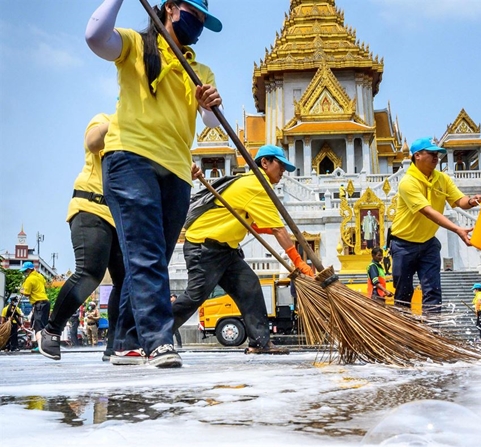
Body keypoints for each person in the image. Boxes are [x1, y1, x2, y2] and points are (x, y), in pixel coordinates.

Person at [85, 0, 223, 367]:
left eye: (202, 19)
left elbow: (211, 121)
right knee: (145, 251)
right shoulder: (136, 46)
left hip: (177, 169)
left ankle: (125, 342)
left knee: (153, 259)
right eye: (193, 13)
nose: (197, 23)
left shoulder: (200, 70)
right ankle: (159, 341)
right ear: (170, 8)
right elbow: (95, 37)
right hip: (131, 157)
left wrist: (208, 101)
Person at [172, 145, 312, 354]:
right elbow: (277, 229)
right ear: (265, 163)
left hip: (226, 250)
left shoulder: (254, 183)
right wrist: (298, 262)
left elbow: (252, 222)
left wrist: (265, 230)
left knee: (250, 287)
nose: (283, 171)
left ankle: (260, 343)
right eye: (280, 165)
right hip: (204, 247)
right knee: (194, 297)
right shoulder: (256, 186)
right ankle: (150, 334)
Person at [37, 113, 124, 362]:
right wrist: (123, 119)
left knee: (124, 280)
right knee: (90, 272)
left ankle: (115, 345)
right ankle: (51, 331)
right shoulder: (106, 118)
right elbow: (93, 142)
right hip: (91, 206)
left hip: (119, 217)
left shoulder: (145, 135)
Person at [390, 137, 481, 313]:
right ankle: (403, 335)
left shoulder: (442, 179)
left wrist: (472, 200)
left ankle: (432, 333)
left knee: (433, 292)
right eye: (432, 154)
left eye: (438, 155)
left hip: (428, 244)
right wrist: (457, 229)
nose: (436, 158)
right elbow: (428, 211)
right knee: (403, 294)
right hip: (403, 245)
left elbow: (459, 200)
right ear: (417, 156)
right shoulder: (407, 182)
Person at [19, 262, 50, 347]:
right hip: (45, 303)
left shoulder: (29, 279)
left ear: (29, 270)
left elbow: (27, 293)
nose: (24, 273)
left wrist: (21, 291)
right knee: (43, 324)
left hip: (39, 303)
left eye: (25, 271)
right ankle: (44, 344)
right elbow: (43, 283)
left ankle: (41, 345)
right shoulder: (40, 276)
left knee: (39, 326)